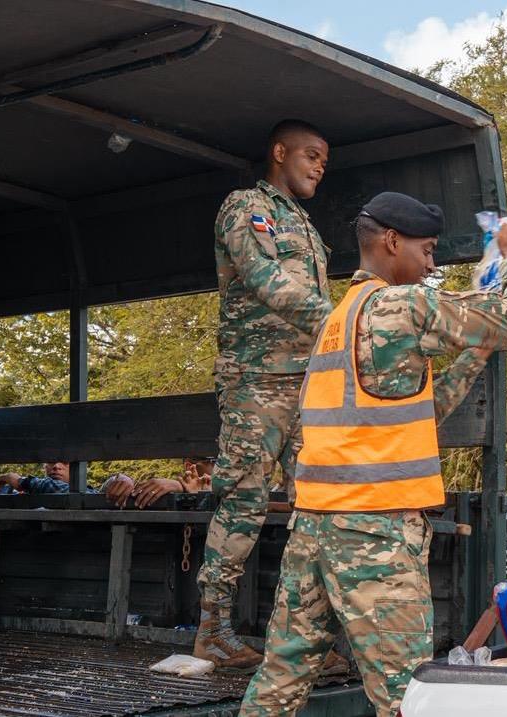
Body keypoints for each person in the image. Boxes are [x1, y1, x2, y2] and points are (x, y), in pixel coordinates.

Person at [239, 192, 507, 717]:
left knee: (279, 684)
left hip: (313, 532)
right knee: (406, 697)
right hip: (374, 535)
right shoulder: (403, 306)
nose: (431, 264)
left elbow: (421, 411)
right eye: (426, 250)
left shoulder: (340, 318)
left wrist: (476, 352)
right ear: (392, 241)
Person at [196, 119, 336, 672]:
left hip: (308, 385)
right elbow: (265, 280)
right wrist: (349, 319)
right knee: (243, 504)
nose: (320, 165)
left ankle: (298, 641)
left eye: (325, 159)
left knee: (317, 508)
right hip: (257, 381)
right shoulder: (248, 208)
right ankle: (213, 631)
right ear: (280, 152)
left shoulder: (304, 223)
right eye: (311, 154)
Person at [0, 461, 131, 499]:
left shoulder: (90, 494)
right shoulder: (20, 490)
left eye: (65, 462)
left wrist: (125, 479)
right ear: (44, 467)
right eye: (52, 461)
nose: (57, 466)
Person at [103, 457, 214, 509]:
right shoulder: (163, 492)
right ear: (189, 467)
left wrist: (181, 488)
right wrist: (120, 481)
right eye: (214, 461)